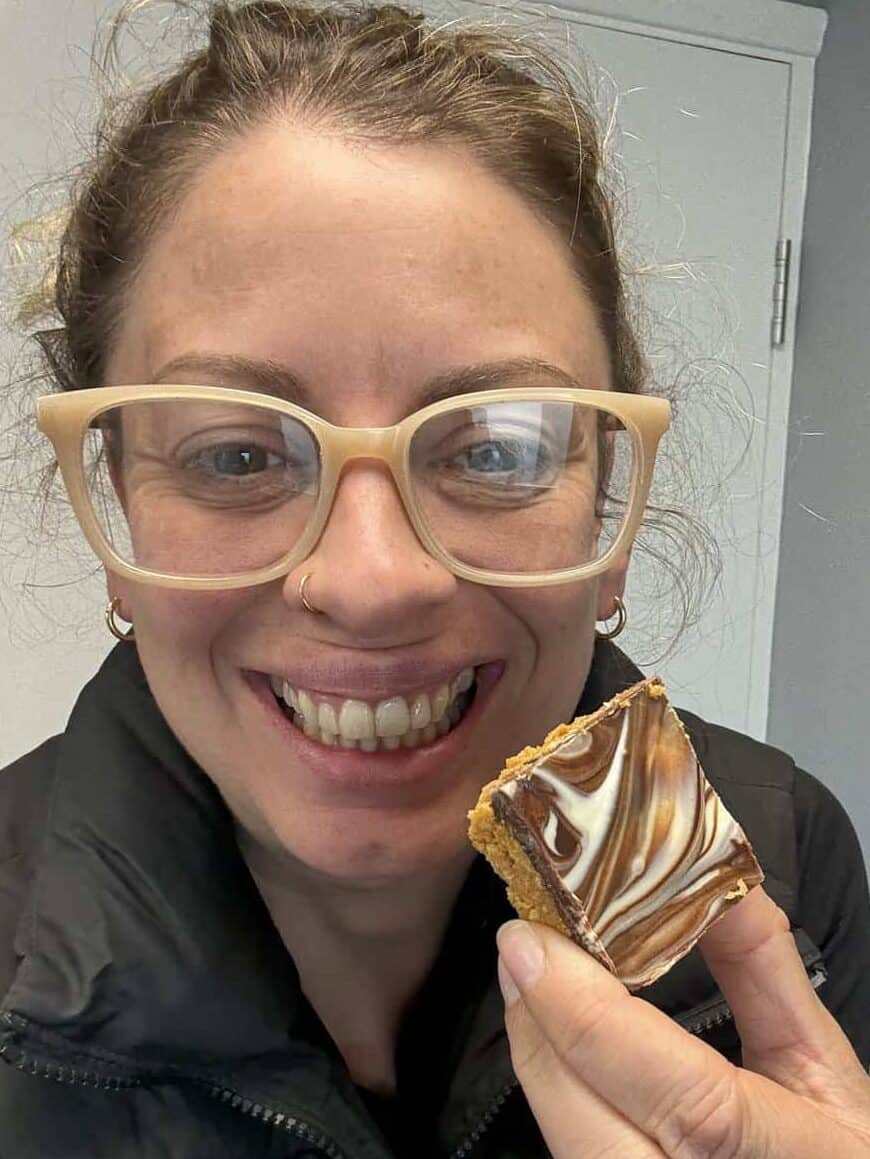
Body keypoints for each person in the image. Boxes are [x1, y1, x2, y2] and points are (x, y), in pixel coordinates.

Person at [1, 2, 868, 1156]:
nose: (371, 581)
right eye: (236, 454)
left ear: (608, 508)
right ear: (118, 499)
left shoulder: (786, 856)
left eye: (495, 449)